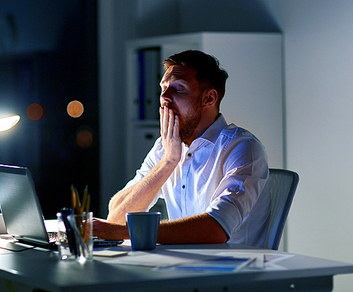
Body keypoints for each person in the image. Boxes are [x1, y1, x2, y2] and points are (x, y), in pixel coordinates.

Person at [94, 50, 270, 247]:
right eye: (163, 89)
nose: (165, 98)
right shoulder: (166, 147)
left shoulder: (242, 148)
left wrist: (126, 232)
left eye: (178, 89)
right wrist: (167, 162)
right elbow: (116, 217)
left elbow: (216, 229)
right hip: (183, 268)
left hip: (234, 273)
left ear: (209, 99)